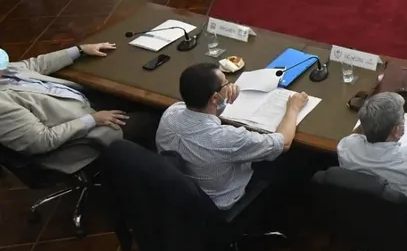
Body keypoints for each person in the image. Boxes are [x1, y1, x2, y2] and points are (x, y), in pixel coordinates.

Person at [156, 62, 309, 211]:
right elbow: (284, 142)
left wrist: (222, 99)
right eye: (226, 83)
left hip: (184, 197)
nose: (230, 85)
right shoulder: (227, 138)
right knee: (294, 160)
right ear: (214, 98)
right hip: (221, 203)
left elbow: (205, 113)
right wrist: (293, 108)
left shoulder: (171, 113)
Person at [0, 43, 160, 157]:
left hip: (82, 101)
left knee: (137, 98)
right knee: (152, 119)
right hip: (83, 135)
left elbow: (34, 64)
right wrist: (92, 120)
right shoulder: (3, 107)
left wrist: (79, 50)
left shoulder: (6, 71)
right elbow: (41, 141)